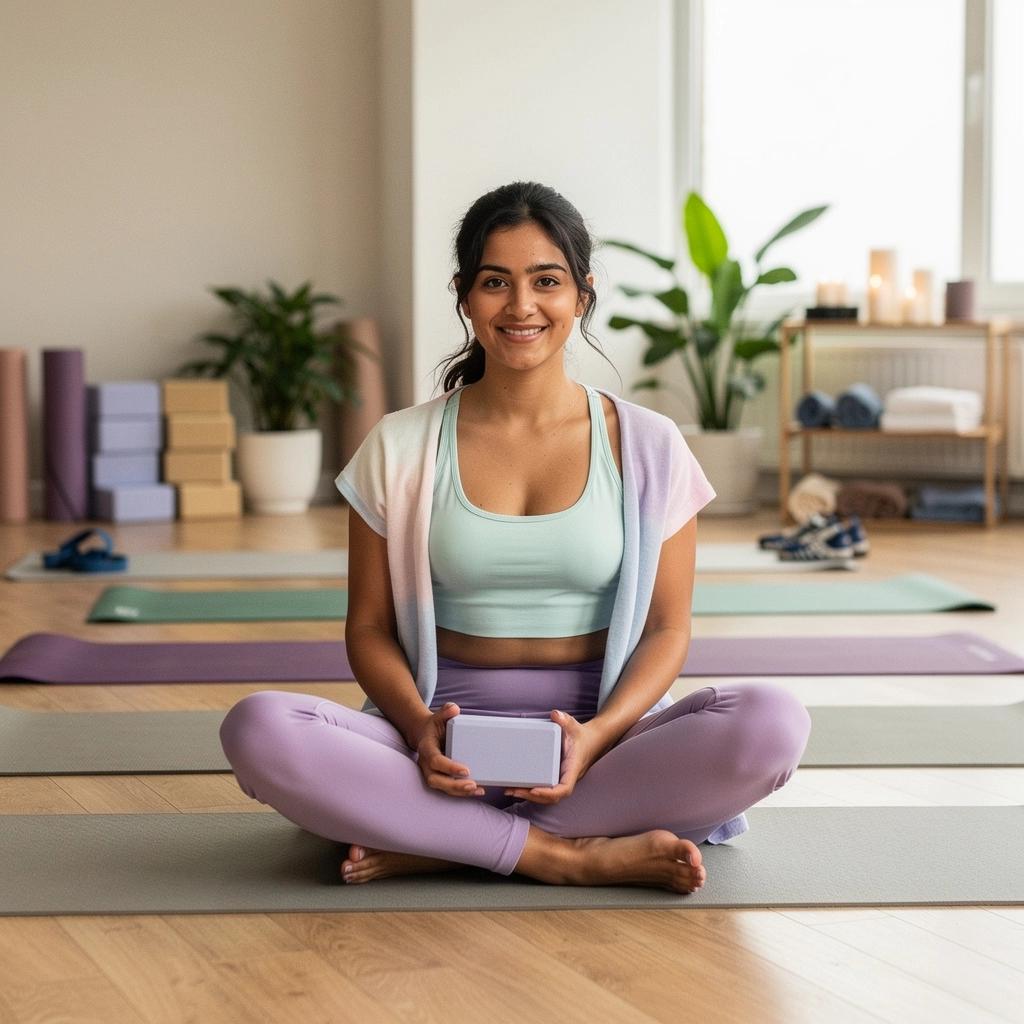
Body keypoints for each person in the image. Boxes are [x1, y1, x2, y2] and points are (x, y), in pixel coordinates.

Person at [220, 181, 811, 894]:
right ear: (464, 295)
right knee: (258, 729)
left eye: (547, 282)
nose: (521, 305)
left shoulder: (649, 445)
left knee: (772, 723)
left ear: (583, 295)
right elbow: (370, 627)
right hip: (438, 744)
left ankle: (439, 842)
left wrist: (594, 739)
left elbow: (666, 629)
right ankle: (562, 855)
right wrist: (419, 727)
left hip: (605, 742)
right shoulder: (401, 445)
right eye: (495, 282)